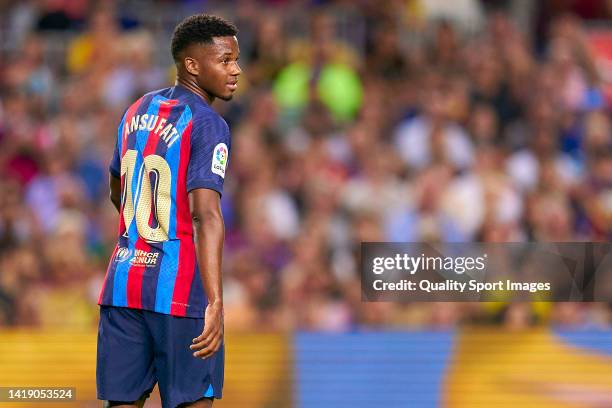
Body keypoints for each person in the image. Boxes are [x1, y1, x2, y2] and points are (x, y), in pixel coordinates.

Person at [96, 14, 241, 408]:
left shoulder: (136, 109)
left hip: (123, 285)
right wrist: (215, 302)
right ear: (192, 64)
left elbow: (116, 187)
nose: (236, 70)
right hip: (180, 295)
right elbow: (205, 215)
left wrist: (142, 236)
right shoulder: (208, 124)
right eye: (225, 60)